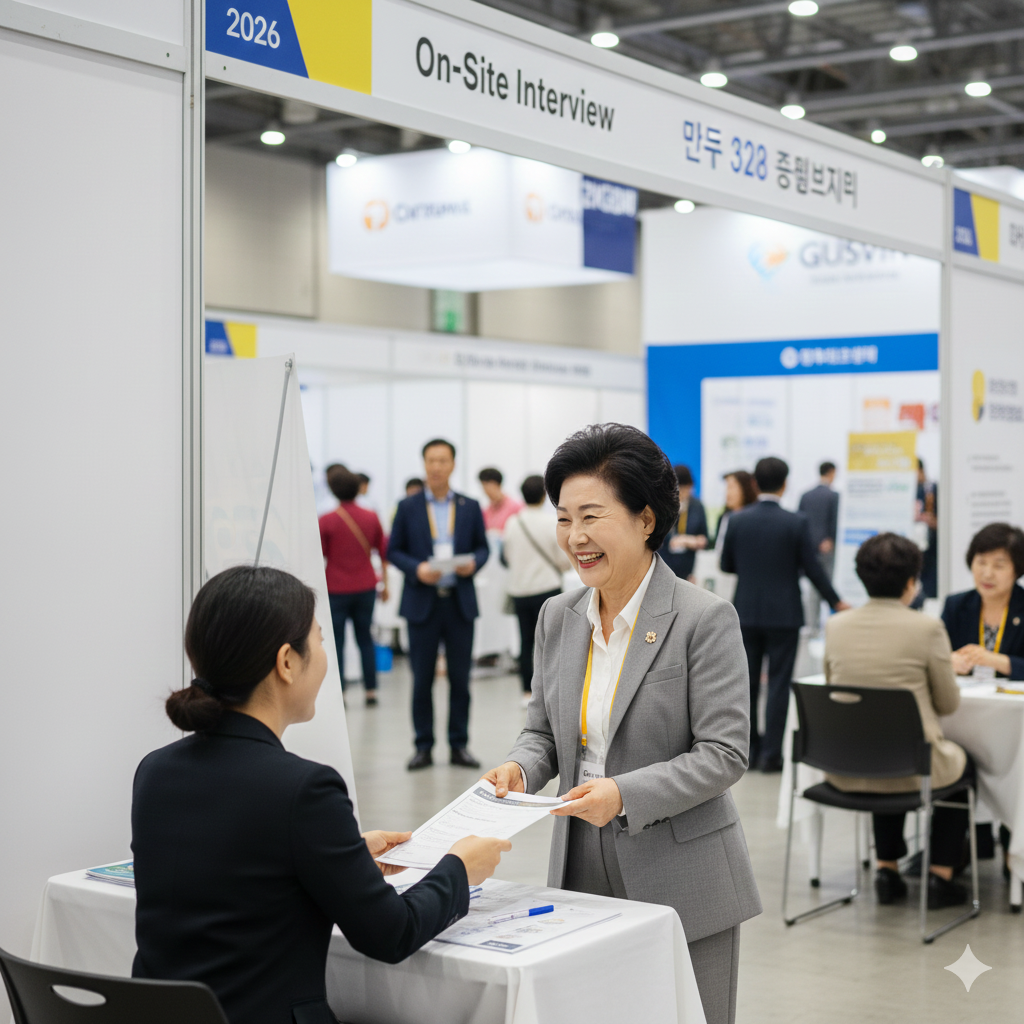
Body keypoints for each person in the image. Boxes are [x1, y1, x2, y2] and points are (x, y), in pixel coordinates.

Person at [132, 565, 509, 1024]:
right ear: (287, 662)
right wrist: (459, 869)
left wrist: (342, 856)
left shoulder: (155, 772)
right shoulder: (303, 790)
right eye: (320, 640)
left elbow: (236, 877)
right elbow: (391, 934)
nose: (325, 656)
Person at [484, 423, 761, 1024]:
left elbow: (723, 753)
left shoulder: (703, 618)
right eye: (564, 519)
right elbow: (543, 732)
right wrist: (519, 770)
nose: (575, 537)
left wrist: (623, 794)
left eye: (592, 516)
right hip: (580, 856)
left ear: (645, 519)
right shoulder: (558, 616)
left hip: (684, 873)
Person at [823, 533, 971, 909]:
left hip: (845, 766)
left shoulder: (836, 626)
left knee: (880, 746)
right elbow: (948, 703)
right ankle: (941, 875)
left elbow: (832, 689)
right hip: (911, 770)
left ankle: (887, 870)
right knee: (962, 766)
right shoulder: (926, 628)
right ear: (911, 582)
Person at [720, 456, 848, 773]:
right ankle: (771, 756)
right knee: (778, 685)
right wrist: (835, 601)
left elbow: (726, 564)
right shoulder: (796, 522)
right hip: (784, 615)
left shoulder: (737, 520)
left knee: (746, 684)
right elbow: (813, 569)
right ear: (785, 484)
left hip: (746, 613)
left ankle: (747, 751)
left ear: (754, 483)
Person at [389, 439, 489, 770]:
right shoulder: (408, 506)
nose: (436, 467)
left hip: (459, 603)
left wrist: (474, 563)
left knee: (460, 680)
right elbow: (394, 550)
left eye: (442, 460)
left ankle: (459, 745)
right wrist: (416, 569)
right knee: (421, 681)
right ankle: (423, 746)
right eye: (431, 460)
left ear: (453, 465)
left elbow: (483, 548)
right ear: (424, 464)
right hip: (422, 603)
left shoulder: (469, 506)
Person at [319, 467, 388, 707]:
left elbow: (321, 555)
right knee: (365, 638)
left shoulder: (326, 520)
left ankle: (342, 693)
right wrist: (386, 584)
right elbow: (382, 551)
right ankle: (371, 690)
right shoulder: (371, 517)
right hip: (366, 586)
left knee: (337, 641)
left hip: (336, 588)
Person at [502, 474, 570, 703]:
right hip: (546, 588)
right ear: (544, 495)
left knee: (526, 642)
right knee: (551, 643)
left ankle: (526, 692)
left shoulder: (512, 522)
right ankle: (550, 691)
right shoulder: (550, 522)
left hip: (519, 590)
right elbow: (563, 559)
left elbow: (507, 556)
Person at [942, 522, 1024, 680]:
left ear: (1017, 569)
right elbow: (936, 655)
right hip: (967, 694)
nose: (987, 574)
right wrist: (950, 661)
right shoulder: (956, 605)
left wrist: (995, 660)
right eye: (981, 563)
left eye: (998, 566)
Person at [658, 464, 708, 582]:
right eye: (679, 489)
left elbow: (705, 539)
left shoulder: (697, 506)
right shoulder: (664, 505)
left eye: (687, 489)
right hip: (665, 566)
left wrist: (688, 540)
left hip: (689, 569)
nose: (683, 494)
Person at [798, 461, 839, 577]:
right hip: (826, 545)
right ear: (831, 472)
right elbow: (834, 520)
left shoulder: (806, 495)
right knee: (825, 578)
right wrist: (830, 539)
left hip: (808, 544)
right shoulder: (833, 496)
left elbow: (799, 520)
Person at [711, 470, 757, 555]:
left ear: (745, 489)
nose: (727, 493)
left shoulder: (755, 519)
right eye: (727, 487)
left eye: (731, 487)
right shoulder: (724, 518)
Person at [478, 467, 523, 533]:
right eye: (483, 486)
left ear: (497, 484)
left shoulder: (516, 507)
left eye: (487, 485)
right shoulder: (486, 511)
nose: (485, 490)